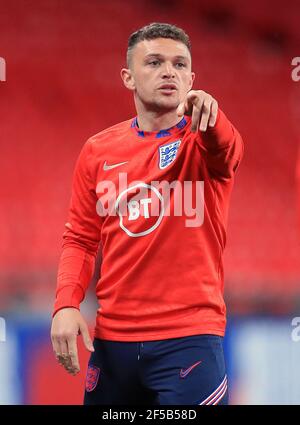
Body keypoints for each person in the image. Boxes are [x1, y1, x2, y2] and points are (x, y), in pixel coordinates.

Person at [50, 22, 244, 405]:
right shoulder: (98, 151)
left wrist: (214, 117)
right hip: (113, 343)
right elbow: (80, 239)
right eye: (154, 62)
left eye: (179, 64)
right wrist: (66, 304)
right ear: (128, 77)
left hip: (189, 342)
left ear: (192, 78)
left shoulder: (204, 144)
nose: (169, 71)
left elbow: (228, 149)